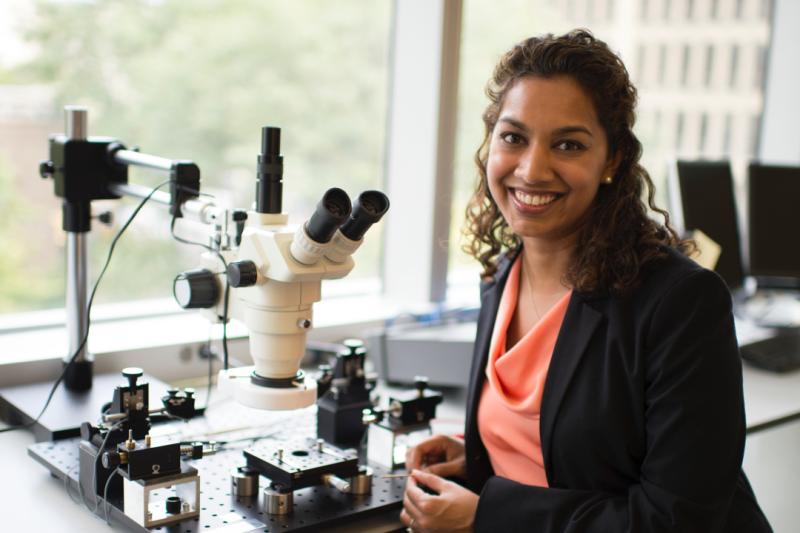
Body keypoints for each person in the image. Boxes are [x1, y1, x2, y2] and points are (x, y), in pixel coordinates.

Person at [400, 30, 772, 533]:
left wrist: (489, 514)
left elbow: (676, 519)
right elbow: (575, 444)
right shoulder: (502, 276)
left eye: (568, 144)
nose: (532, 169)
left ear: (612, 161)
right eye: (514, 137)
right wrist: (483, 456)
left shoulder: (680, 302)